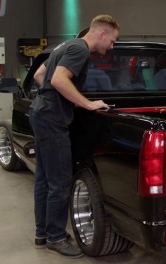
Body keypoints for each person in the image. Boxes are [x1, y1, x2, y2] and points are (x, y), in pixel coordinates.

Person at [29, 14, 120, 258]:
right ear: (102, 33)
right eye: (112, 40)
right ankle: (56, 238)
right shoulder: (81, 50)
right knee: (60, 181)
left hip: (41, 112)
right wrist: (87, 104)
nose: (111, 47)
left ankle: (43, 233)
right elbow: (59, 79)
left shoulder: (66, 45)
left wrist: (50, 98)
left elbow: (40, 75)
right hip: (52, 119)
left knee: (44, 180)